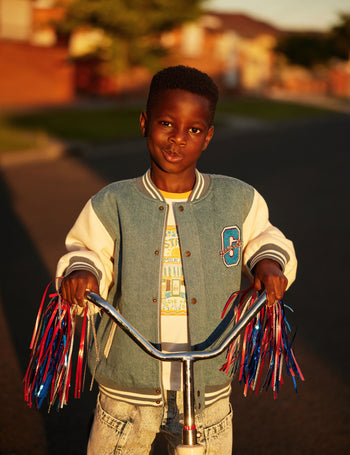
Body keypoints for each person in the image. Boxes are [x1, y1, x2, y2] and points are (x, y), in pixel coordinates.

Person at [57, 65, 297, 454]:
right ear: (144, 123)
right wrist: (83, 271)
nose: (177, 139)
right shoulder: (113, 201)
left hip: (208, 387)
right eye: (166, 123)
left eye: (194, 130)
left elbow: (264, 238)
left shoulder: (236, 198)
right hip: (127, 386)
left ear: (208, 137)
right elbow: (86, 250)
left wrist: (268, 264)